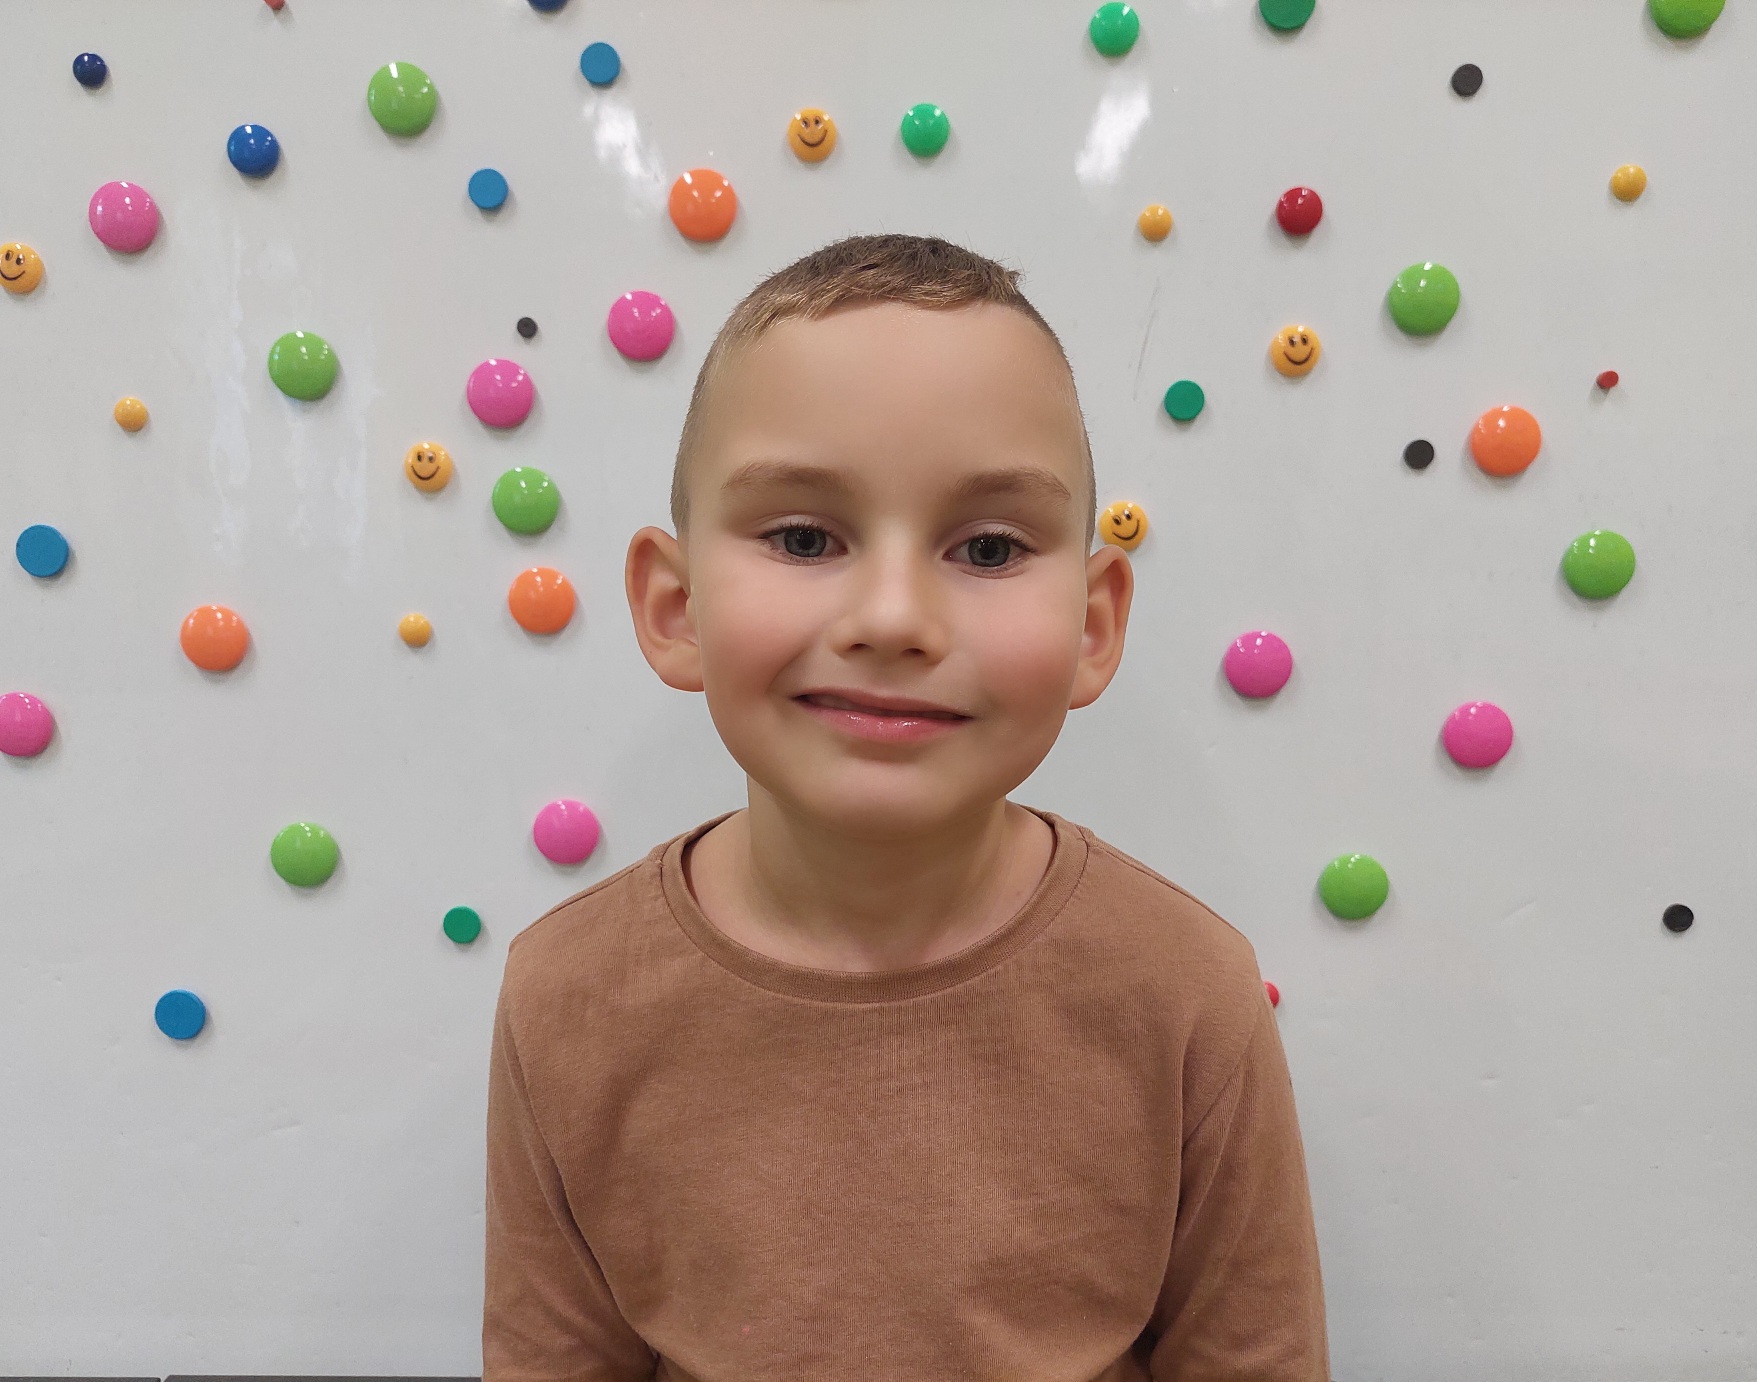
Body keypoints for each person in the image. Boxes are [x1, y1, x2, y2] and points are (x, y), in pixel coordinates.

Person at [482, 232, 1330, 1380]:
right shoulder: (564, 998)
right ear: (674, 606)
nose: (891, 617)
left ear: (1091, 625)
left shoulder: (1186, 996)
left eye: (986, 547)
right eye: (802, 537)